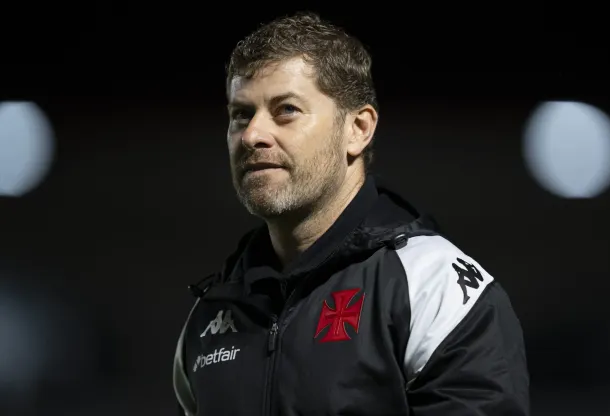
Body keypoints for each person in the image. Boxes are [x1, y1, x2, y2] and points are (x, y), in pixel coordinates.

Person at [173, 11, 529, 416]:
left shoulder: (433, 289)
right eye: (241, 114)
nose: (253, 134)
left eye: (286, 109)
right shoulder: (210, 316)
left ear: (358, 128)